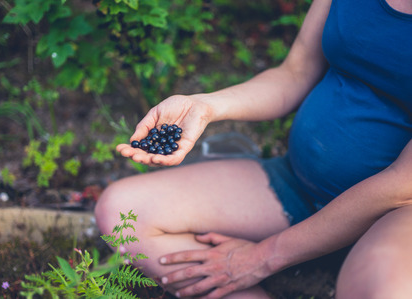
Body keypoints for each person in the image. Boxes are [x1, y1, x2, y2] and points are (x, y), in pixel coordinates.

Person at [95, 0, 412, 297]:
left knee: (385, 288)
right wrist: (204, 106)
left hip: (392, 212)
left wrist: (264, 256)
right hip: (299, 185)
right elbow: (295, 72)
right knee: (123, 211)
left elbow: (401, 185)